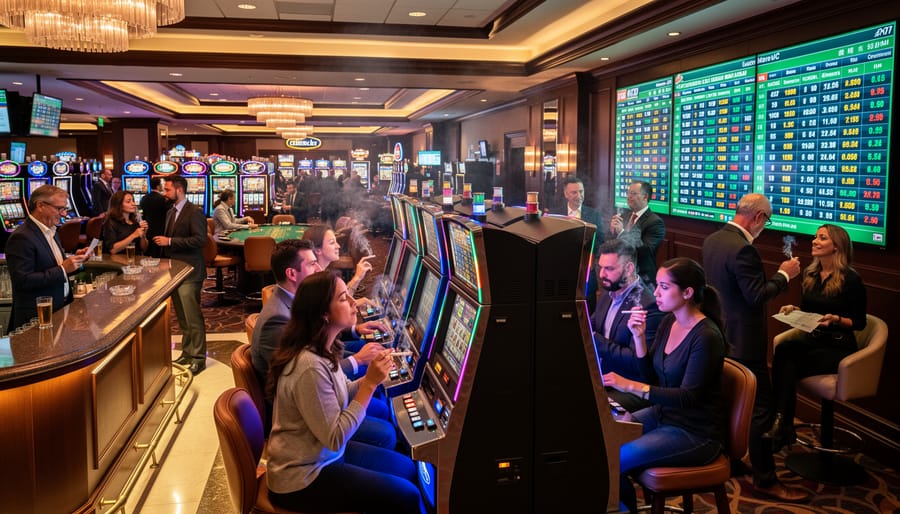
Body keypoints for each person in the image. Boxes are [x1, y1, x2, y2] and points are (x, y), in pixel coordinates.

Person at [265, 271, 425, 514]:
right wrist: (370, 384)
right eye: (343, 298)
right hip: (303, 477)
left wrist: (369, 377)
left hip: (322, 455)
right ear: (324, 314)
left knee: (407, 469)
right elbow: (336, 436)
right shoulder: (309, 366)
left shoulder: (322, 347)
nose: (353, 302)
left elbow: (336, 393)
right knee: (408, 497)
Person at [701, 193, 804, 501]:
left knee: (728, 401)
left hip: (721, 335)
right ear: (758, 217)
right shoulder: (744, 249)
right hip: (745, 344)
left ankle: (729, 461)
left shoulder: (714, 239)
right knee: (761, 409)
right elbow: (756, 295)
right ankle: (765, 478)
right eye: (767, 220)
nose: (765, 226)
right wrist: (785, 275)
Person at [603, 258, 726, 514]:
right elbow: (652, 377)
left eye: (664, 287)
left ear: (687, 292)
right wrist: (638, 338)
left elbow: (688, 397)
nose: (655, 293)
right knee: (603, 445)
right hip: (664, 416)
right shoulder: (670, 321)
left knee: (613, 461)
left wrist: (630, 386)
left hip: (695, 432)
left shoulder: (706, 336)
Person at [250, 239, 395, 447]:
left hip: (317, 414)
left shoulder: (316, 343)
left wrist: (369, 376)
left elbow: (333, 380)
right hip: (303, 431)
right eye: (311, 264)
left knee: (382, 413)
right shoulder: (281, 324)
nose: (318, 268)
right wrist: (366, 374)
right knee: (386, 432)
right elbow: (332, 434)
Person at [763, 224, 867, 451]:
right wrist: (794, 309)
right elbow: (809, 311)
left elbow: (859, 322)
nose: (814, 241)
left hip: (838, 346)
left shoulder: (851, 279)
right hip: (814, 339)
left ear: (836, 247)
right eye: (815, 237)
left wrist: (836, 319)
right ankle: (782, 422)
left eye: (822, 238)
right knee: (784, 350)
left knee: (789, 361)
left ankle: (781, 423)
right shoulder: (810, 274)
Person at [592, 239, 664, 412]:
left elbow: (635, 361)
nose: (602, 274)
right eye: (600, 267)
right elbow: (591, 324)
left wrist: (596, 340)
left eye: (609, 269)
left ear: (629, 268)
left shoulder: (647, 305)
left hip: (629, 385)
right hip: (603, 375)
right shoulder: (609, 290)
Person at [6, 185, 90, 330]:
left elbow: (56, 266)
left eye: (65, 209)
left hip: (59, 308)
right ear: (40, 206)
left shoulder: (52, 230)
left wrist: (77, 261)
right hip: (36, 318)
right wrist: (63, 268)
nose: (64, 214)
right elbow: (23, 281)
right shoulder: (22, 237)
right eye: (59, 209)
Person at [153, 176, 208, 375]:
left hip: (191, 271)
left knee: (193, 316)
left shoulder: (194, 212)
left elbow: (200, 241)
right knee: (182, 316)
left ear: (179, 190)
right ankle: (187, 352)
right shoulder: (170, 212)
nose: (164, 193)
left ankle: (199, 357)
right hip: (173, 271)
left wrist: (170, 241)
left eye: (167, 190)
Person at [551, 176, 603, 313]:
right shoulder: (554, 214)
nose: (579, 196)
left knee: (588, 310)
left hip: (586, 270)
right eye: (574, 192)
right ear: (566, 194)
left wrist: (589, 256)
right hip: (562, 271)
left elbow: (600, 241)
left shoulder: (594, 215)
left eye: (581, 191)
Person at [610, 181, 666, 286]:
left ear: (645, 196)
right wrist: (613, 231)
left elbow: (646, 250)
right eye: (628, 193)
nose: (629, 197)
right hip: (620, 274)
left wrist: (621, 232)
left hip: (642, 278)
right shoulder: (625, 216)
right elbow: (613, 244)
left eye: (633, 194)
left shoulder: (655, 222)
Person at [303, 224, 374, 296]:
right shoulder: (315, 281)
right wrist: (357, 278)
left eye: (336, 242)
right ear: (318, 250)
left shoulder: (321, 275)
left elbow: (338, 300)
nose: (338, 246)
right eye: (332, 242)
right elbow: (338, 303)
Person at [101, 190, 148, 256]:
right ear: (119, 204)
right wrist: (134, 235)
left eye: (133, 201)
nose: (133, 204)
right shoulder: (110, 222)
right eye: (128, 202)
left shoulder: (135, 221)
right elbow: (112, 250)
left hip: (136, 260)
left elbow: (144, 249)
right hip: (117, 262)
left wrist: (143, 235)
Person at [140, 177, 169, 258]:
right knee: (159, 255)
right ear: (158, 186)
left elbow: (142, 212)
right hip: (160, 230)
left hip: (147, 229)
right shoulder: (163, 199)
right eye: (161, 185)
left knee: (148, 255)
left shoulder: (144, 198)